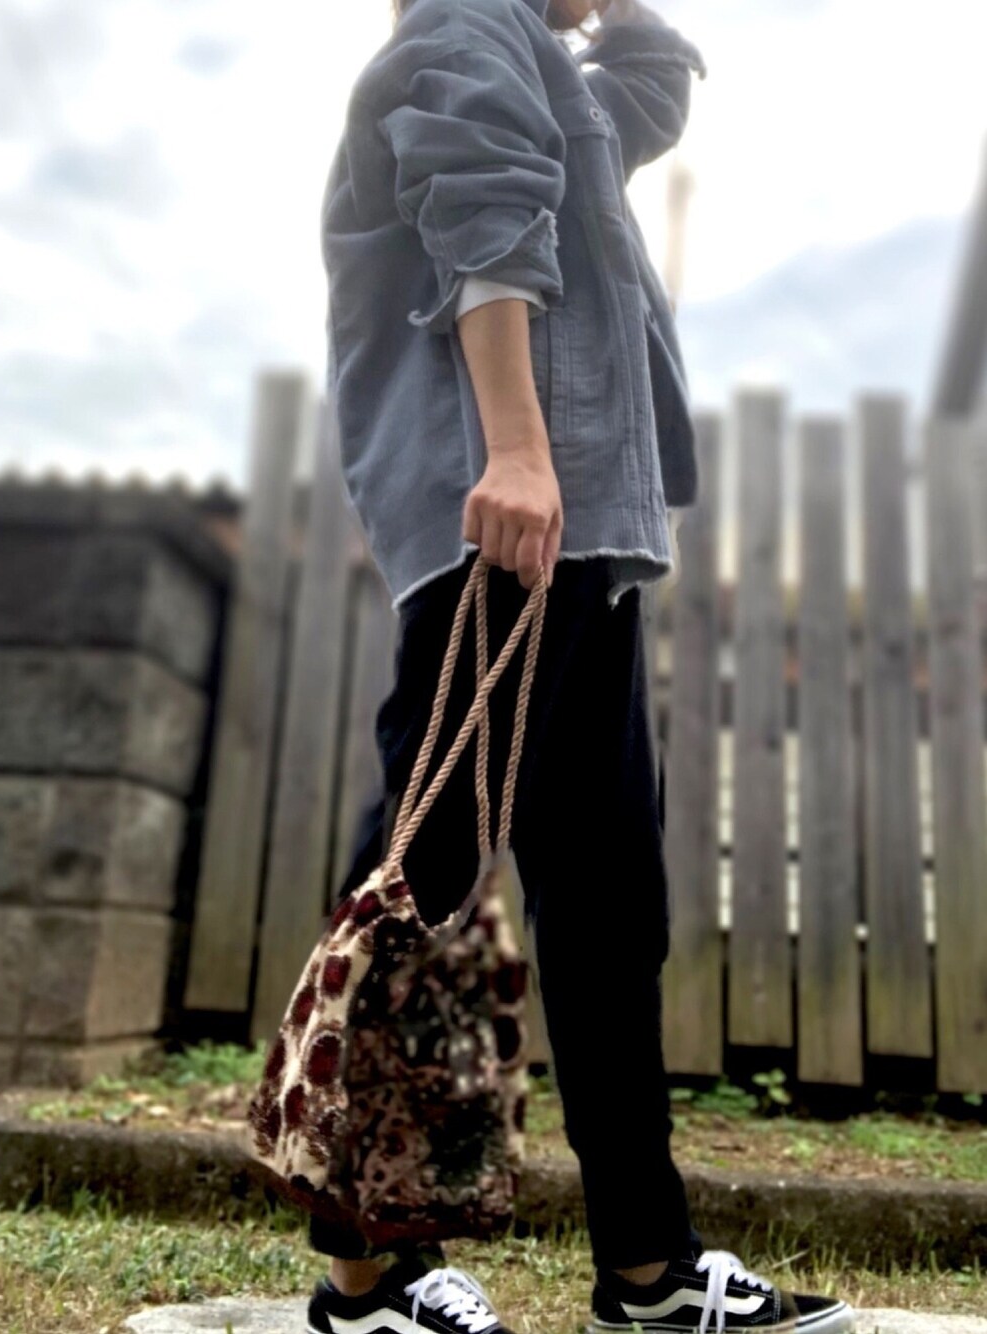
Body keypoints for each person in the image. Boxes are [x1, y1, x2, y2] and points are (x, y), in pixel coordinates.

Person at [306, 1, 854, 1331]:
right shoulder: (461, 33)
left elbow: (651, 81)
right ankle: (365, 1276)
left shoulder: (553, 75)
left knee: (610, 906)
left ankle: (647, 1270)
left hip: (584, 538)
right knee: (424, 889)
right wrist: (516, 450)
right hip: (505, 518)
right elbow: (484, 220)